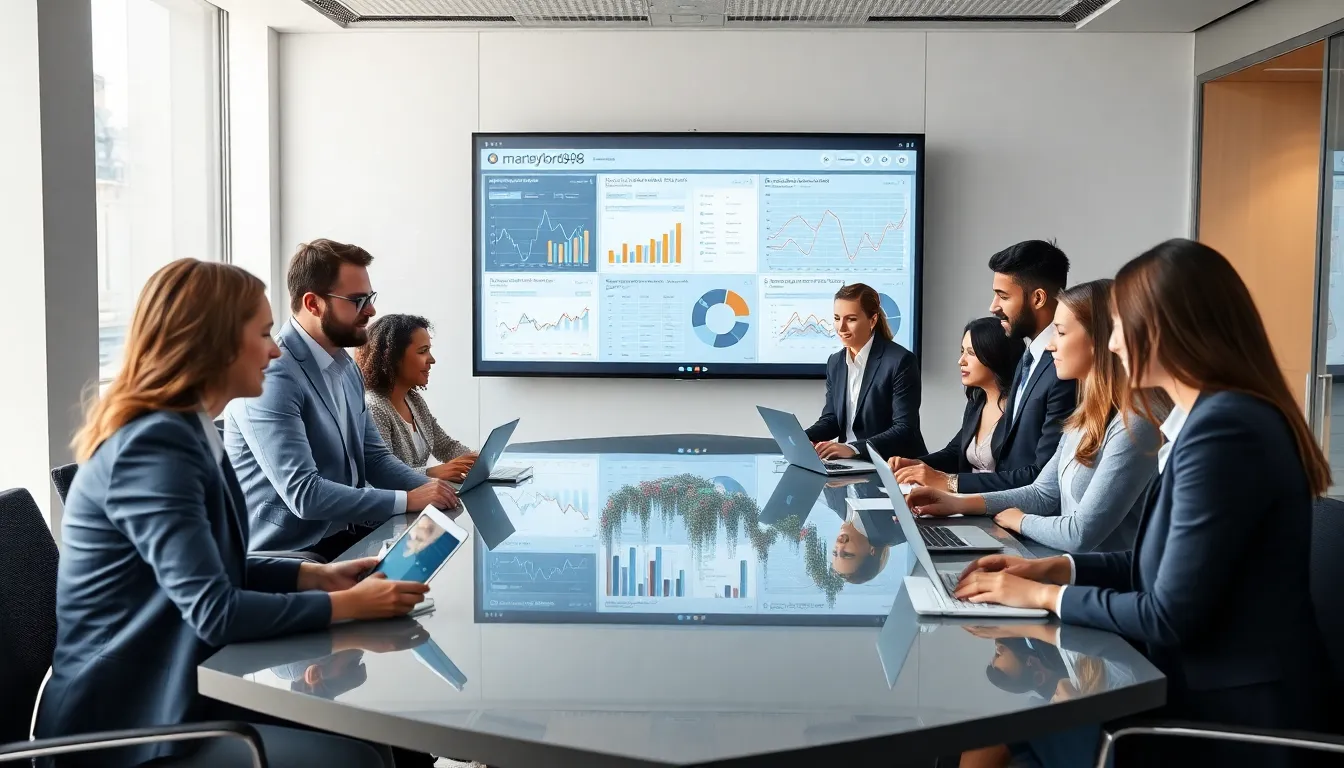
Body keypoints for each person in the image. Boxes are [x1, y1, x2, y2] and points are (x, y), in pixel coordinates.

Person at [34, 259, 432, 768]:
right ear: (213, 344)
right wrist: (350, 605)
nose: (274, 349)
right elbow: (215, 611)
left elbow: (211, 569)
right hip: (128, 725)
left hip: (180, 686)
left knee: (378, 735)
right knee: (360, 757)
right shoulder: (152, 451)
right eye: (264, 333)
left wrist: (316, 576)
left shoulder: (189, 431)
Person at [954, 239, 1330, 767]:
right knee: (994, 725)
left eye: (1123, 325)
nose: (1113, 344)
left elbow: (1166, 614)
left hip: (1223, 715)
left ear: (1168, 329)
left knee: (998, 721)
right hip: (1190, 684)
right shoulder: (1211, 422)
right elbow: (1157, 569)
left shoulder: (1225, 432)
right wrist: (1053, 569)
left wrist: (1040, 597)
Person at [224, 239, 458, 561]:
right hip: (291, 552)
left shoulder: (346, 365)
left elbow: (375, 459)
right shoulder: (273, 375)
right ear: (313, 303)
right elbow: (305, 495)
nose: (372, 310)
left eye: (370, 298)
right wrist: (408, 500)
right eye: (358, 300)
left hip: (349, 535)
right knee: (414, 579)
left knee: (440, 549)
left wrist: (437, 492)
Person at [905, 280, 1160, 554]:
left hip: (1097, 582)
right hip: (1064, 564)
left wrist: (1020, 520)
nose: (1050, 346)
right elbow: (1042, 493)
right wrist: (956, 502)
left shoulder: (1134, 424)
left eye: (1060, 333)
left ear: (1100, 340)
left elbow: (1080, 534)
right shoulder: (1083, 415)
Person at [892, 241, 1075, 492]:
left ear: (1038, 298)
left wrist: (949, 483)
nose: (993, 307)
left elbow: (1041, 475)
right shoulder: (1028, 360)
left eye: (1003, 296)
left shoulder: (1064, 369)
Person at [805, 283, 926, 461]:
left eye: (851, 319)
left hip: (893, 465)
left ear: (873, 320)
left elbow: (904, 429)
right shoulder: (836, 362)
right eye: (837, 318)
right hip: (851, 464)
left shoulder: (900, 361)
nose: (841, 327)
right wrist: (804, 438)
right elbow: (832, 419)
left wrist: (853, 448)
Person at [895, 317, 1024, 482]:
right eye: (962, 351)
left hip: (994, 504)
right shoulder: (976, 401)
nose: (961, 361)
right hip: (965, 502)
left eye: (971, 353)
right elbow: (954, 452)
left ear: (994, 355)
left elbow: (1016, 478)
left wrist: (948, 482)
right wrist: (915, 464)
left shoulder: (1019, 408)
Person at [357, 313, 477, 481]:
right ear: (393, 358)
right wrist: (432, 473)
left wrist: (477, 461)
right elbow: (382, 475)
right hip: (399, 504)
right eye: (423, 351)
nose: (432, 360)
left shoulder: (414, 400)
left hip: (421, 497)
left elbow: (445, 446)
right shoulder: (374, 407)